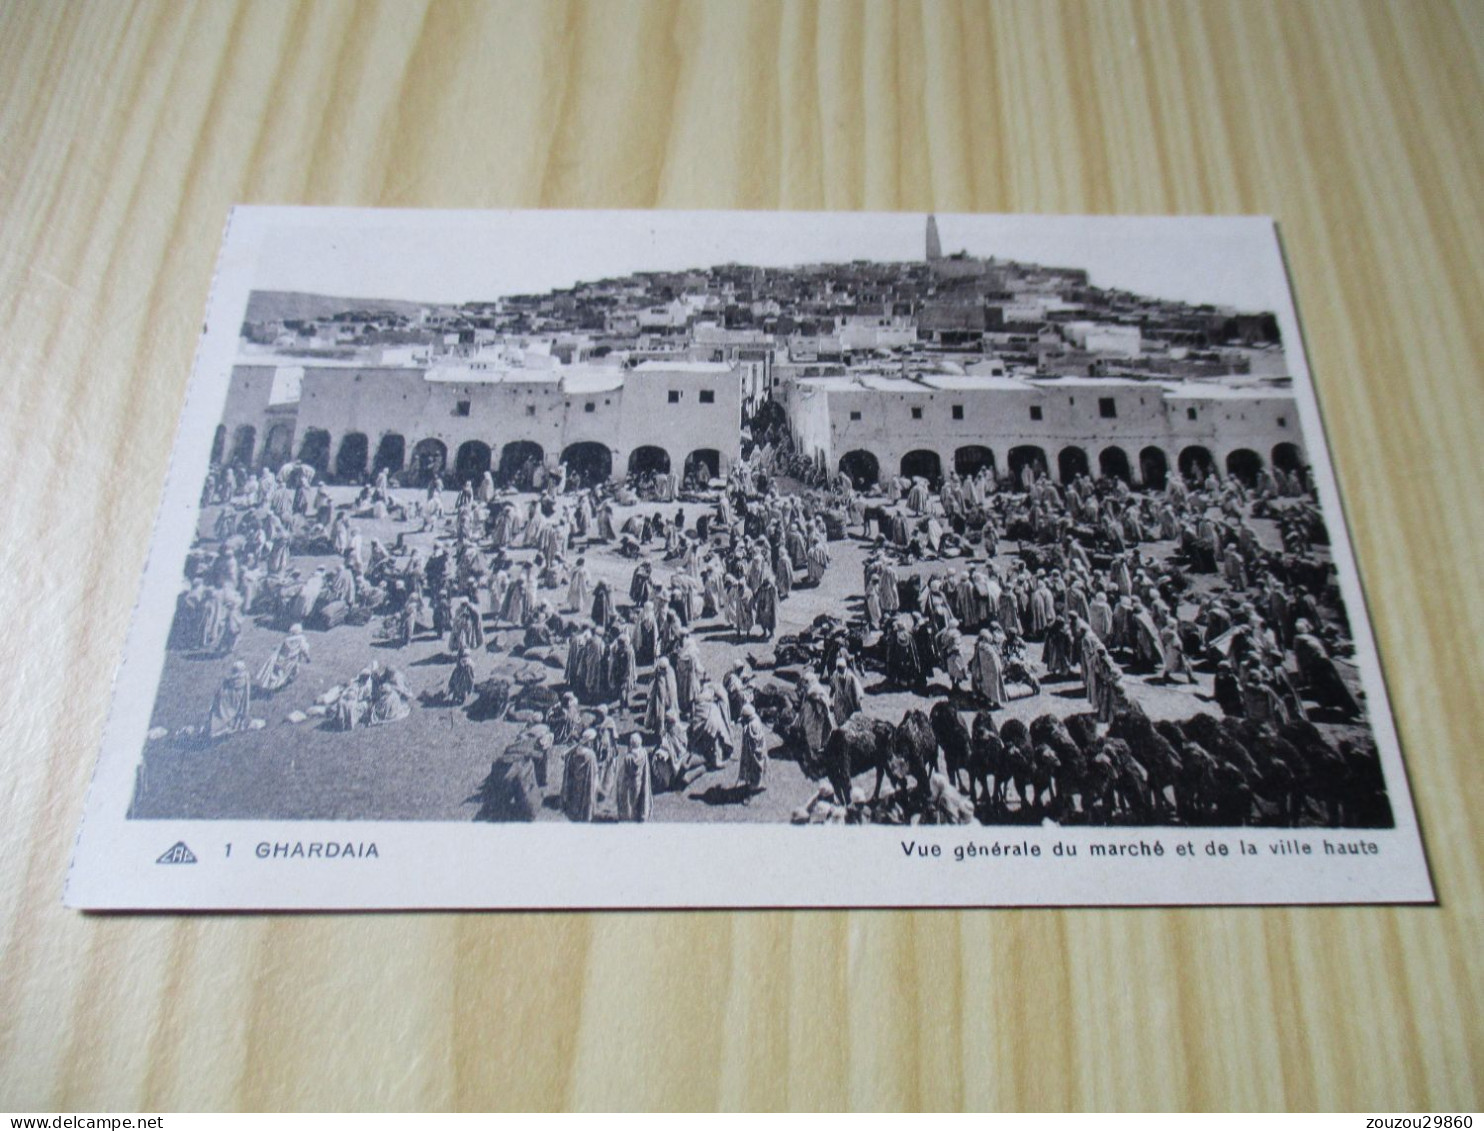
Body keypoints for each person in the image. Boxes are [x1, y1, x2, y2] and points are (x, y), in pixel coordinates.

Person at [255, 623, 311, 693]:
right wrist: (307, 657)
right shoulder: (301, 639)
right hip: (293, 660)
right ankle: (281, 686)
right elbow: (304, 649)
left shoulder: (287, 640)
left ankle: (277, 685)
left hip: (283, 660)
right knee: (294, 672)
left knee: (281, 674)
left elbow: (280, 648)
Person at [561, 731, 600, 822]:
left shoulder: (576, 750)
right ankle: (586, 814)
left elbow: (566, 758)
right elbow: (595, 770)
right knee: (587, 795)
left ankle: (574, 811)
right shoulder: (590, 755)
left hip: (577, 778)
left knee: (577, 795)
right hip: (587, 779)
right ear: (589, 741)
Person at [208, 661, 253, 738]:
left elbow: (223, 690)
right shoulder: (245, 677)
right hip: (238, 702)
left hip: (232, 702)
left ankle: (222, 725)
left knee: (220, 708)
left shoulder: (232, 681)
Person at [615, 734, 653, 822]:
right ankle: (638, 817)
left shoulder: (629, 758)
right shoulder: (643, 754)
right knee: (637, 801)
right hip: (639, 781)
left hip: (630, 782)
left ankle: (629, 818)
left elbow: (624, 772)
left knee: (629, 803)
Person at [736, 704, 768, 796]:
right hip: (755, 750)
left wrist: (745, 727)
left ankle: (756, 785)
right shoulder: (755, 719)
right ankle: (756, 783)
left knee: (756, 767)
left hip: (755, 752)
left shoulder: (753, 725)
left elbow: (753, 740)